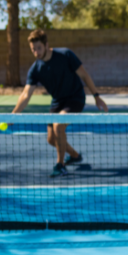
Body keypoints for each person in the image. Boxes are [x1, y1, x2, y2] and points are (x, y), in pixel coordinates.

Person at [12, 29, 109, 177]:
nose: (36, 52)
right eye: (33, 49)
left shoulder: (65, 55)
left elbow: (84, 75)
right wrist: (14, 115)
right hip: (57, 102)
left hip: (75, 98)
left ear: (46, 45)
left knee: (58, 124)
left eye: (39, 48)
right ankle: (75, 156)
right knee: (51, 139)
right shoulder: (35, 69)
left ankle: (60, 165)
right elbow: (26, 94)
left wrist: (96, 96)